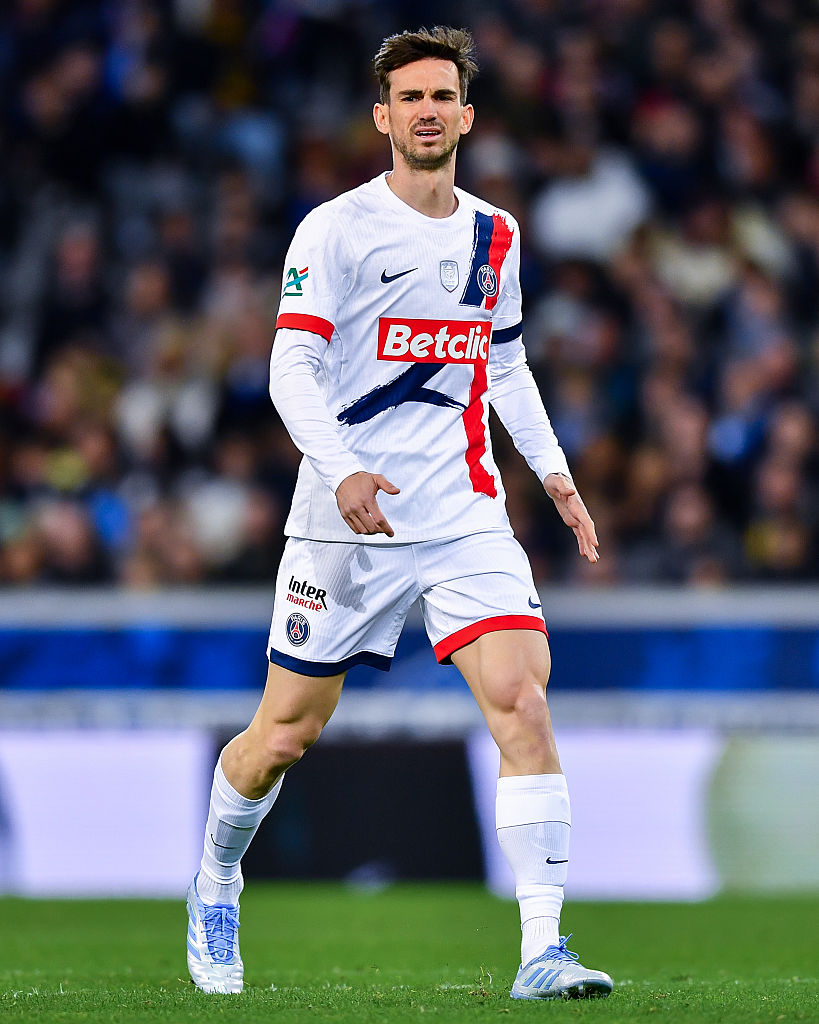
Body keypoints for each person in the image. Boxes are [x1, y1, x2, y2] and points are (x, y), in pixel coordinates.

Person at [186, 26, 613, 1002]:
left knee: (522, 701)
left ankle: (542, 949)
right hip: (346, 519)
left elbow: (503, 361)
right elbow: (290, 369)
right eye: (409, 97)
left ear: (467, 115)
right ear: (382, 117)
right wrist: (341, 470)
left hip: (464, 511)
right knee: (283, 736)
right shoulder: (333, 230)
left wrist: (553, 473)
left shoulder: (496, 235)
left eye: (442, 96)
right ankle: (215, 880)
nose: (427, 110)